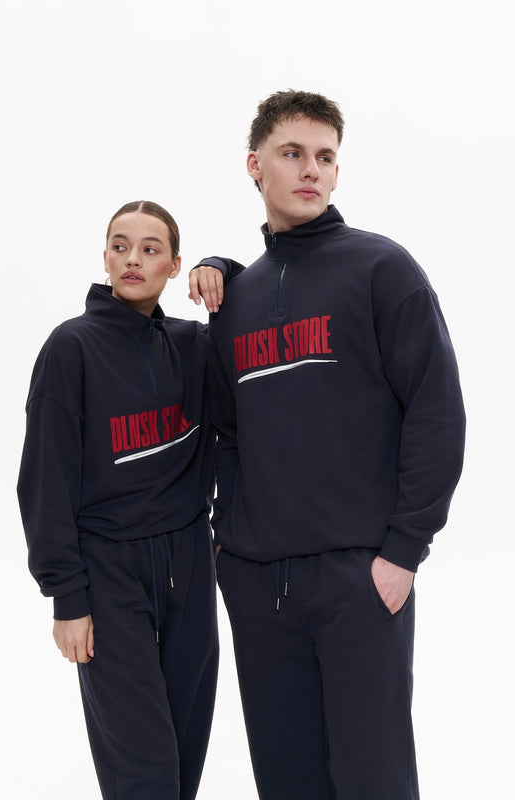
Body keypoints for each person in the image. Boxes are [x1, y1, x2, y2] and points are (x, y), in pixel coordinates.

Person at [190, 91, 466, 799]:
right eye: (292, 153)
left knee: (375, 781)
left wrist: (403, 552)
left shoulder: (382, 269)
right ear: (255, 165)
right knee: (287, 782)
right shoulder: (236, 301)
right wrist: (229, 548)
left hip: (360, 577)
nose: (310, 169)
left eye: (324, 156)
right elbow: (227, 434)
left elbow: (436, 411)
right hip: (257, 582)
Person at [17, 200, 235, 800]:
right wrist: (67, 595)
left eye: (150, 248)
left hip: (190, 560)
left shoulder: (195, 345)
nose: (133, 258)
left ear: (175, 265)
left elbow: (251, 307)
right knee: (143, 768)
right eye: (120, 245)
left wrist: (220, 267)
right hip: (109, 568)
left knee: (184, 755)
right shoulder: (71, 348)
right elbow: (44, 479)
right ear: (106, 257)